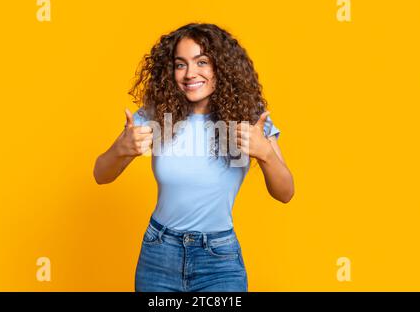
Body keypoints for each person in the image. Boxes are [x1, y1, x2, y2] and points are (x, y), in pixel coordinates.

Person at [93, 23, 294, 292]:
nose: (190, 74)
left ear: (222, 67)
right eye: (180, 64)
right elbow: (101, 175)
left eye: (202, 62)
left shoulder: (249, 119)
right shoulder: (156, 114)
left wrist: (265, 153)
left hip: (219, 259)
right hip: (159, 253)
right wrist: (121, 149)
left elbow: (285, 193)